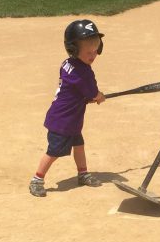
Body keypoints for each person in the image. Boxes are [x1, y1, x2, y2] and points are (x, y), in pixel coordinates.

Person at [29, 19, 106, 197]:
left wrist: (87, 97)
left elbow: (80, 91)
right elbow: (92, 92)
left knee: (79, 145)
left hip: (69, 118)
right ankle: (37, 179)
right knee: (54, 152)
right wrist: (98, 96)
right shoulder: (83, 72)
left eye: (96, 50)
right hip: (63, 122)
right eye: (88, 52)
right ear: (73, 49)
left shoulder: (68, 64)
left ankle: (83, 173)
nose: (93, 55)